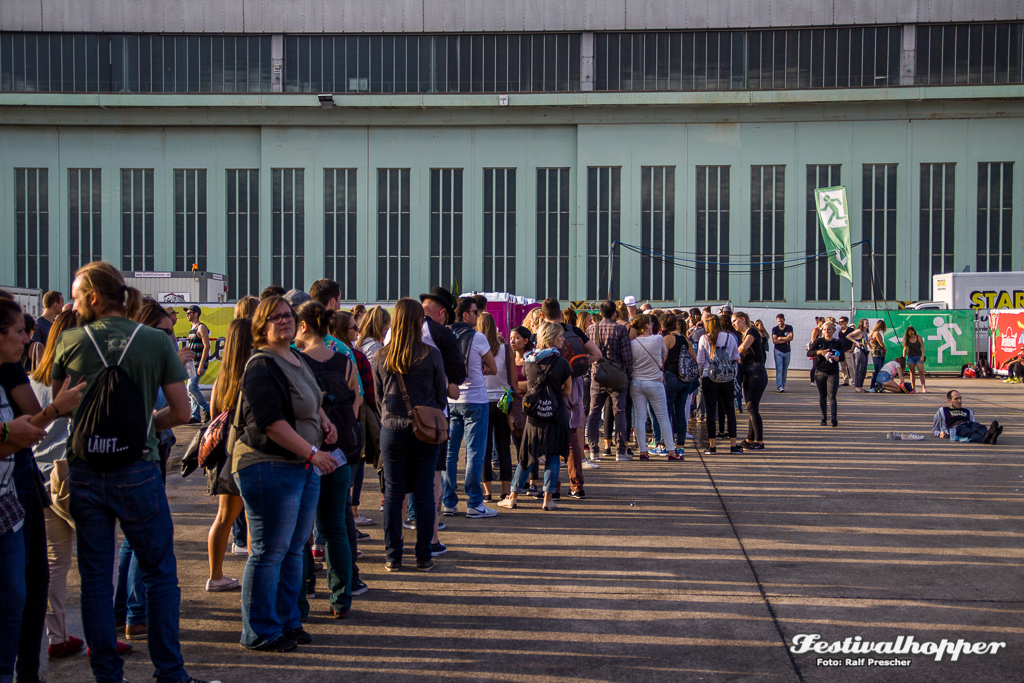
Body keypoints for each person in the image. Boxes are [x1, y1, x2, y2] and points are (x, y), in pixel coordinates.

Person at [50, 262, 216, 683]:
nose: (71, 302)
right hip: (138, 468)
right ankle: (169, 672)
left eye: (75, 294)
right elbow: (181, 412)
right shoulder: (155, 342)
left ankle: (107, 674)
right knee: (159, 572)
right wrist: (143, 421)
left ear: (92, 297)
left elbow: (62, 405)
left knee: (94, 576)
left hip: (85, 469)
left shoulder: (69, 340)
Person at [231, 295, 339, 652]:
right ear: (261, 326)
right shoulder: (261, 365)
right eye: (275, 318)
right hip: (269, 466)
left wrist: (323, 421)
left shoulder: (295, 358)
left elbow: (311, 399)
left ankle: (287, 621)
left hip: (300, 467)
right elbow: (270, 423)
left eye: (288, 316)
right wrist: (313, 452)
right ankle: (259, 630)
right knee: (268, 551)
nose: (284, 321)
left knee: (295, 549)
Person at [27, 310, 87, 659]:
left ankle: (57, 636)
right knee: (99, 560)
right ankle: (101, 637)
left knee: (55, 563)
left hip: (41, 477)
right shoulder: (80, 381)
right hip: (75, 472)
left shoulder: (32, 380)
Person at [373, 299, 448, 572]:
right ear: (419, 322)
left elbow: (379, 397)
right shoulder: (431, 355)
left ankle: (393, 556)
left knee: (393, 494)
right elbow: (441, 395)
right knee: (425, 492)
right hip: (425, 431)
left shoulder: (382, 356)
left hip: (391, 429)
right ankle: (423, 555)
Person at [296, 301, 361, 619]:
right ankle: (341, 598)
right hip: (340, 453)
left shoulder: (296, 362)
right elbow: (356, 399)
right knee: (335, 526)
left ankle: (303, 591)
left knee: (300, 531)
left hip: (305, 453)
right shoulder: (344, 360)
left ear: (304, 326)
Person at [499, 321, 573, 510]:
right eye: (560, 336)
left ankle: (513, 496)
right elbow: (567, 392)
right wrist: (557, 387)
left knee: (527, 455)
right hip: (556, 414)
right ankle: (547, 500)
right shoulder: (562, 362)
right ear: (551, 338)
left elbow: (528, 385)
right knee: (553, 455)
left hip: (535, 414)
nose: (563, 339)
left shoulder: (529, 360)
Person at [205, 319, 253, 593]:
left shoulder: (223, 376)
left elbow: (212, 418)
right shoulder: (254, 371)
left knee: (223, 517)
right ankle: (251, 578)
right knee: (251, 517)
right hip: (248, 453)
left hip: (224, 454)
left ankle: (215, 575)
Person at [443, 297, 498, 518]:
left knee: (450, 453)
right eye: (475, 312)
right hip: (475, 399)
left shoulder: (444, 335)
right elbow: (493, 368)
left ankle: (449, 501)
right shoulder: (478, 337)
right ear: (466, 315)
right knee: (474, 453)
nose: (478, 315)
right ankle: (474, 503)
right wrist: (480, 367)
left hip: (450, 399)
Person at [540, 299, 600, 496]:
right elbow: (596, 354)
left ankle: (553, 488)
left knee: (553, 437)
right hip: (575, 385)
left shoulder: (542, 333)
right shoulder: (574, 330)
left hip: (552, 388)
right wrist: (574, 368)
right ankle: (577, 487)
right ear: (560, 313)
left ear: (542, 315)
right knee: (573, 434)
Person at [628, 315, 681, 461]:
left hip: (636, 382)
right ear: (646, 325)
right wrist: (659, 363)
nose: (652, 326)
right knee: (663, 416)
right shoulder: (658, 339)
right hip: (655, 382)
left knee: (640, 417)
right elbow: (665, 354)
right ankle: (671, 450)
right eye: (650, 323)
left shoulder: (632, 343)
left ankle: (643, 451)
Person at [585, 300, 633, 461]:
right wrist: (628, 374)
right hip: (617, 376)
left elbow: (587, 352)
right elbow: (627, 356)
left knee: (594, 413)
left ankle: (593, 449)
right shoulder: (620, 329)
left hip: (597, 375)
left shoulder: (591, 329)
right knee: (619, 412)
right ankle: (620, 451)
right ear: (614, 313)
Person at [478, 312, 514, 502]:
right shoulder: (506, 349)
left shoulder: (476, 348)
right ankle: (505, 491)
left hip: (482, 400)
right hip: (503, 402)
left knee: (484, 448)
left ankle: (487, 492)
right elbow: (513, 378)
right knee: (504, 447)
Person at [697, 315, 741, 454]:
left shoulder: (704, 338)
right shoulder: (730, 337)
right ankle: (733, 445)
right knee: (730, 411)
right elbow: (735, 356)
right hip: (727, 376)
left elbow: (700, 359)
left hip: (708, 376)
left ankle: (712, 446)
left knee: (710, 412)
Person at [734, 312, 768, 450]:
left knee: (752, 407)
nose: (733, 324)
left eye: (735, 320)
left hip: (756, 373)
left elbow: (743, 348)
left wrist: (732, 353)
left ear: (743, 319)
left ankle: (759, 441)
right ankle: (749, 438)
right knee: (750, 407)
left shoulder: (752, 331)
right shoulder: (744, 335)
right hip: (749, 373)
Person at [933, 391, 1003, 444]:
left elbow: (973, 422)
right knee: (969, 432)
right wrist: (939, 434)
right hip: (956, 427)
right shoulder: (943, 410)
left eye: (960, 398)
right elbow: (934, 429)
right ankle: (989, 438)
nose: (959, 401)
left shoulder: (967, 411)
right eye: (956, 399)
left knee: (977, 426)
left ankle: (988, 434)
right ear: (949, 401)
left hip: (969, 423)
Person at [809, 320, 843, 426]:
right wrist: (819, 352)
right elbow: (809, 352)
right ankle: (823, 418)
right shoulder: (819, 342)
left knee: (832, 396)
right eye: (824, 329)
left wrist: (835, 357)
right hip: (820, 371)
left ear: (833, 330)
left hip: (833, 372)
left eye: (829, 329)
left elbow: (841, 358)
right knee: (822, 396)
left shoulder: (837, 342)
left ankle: (834, 418)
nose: (827, 331)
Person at [184, 304, 212, 424]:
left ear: (196, 314)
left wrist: (201, 365)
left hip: (198, 363)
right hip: (191, 364)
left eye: (189, 313)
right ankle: (195, 416)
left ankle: (207, 410)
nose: (187, 315)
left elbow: (207, 346)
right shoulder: (192, 328)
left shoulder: (201, 328)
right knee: (191, 389)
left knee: (191, 387)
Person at [27, 290, 63, 369]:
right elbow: (34, 352)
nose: (62, 306)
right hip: (43, 372)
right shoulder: (38, 325)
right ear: (56, 305)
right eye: (62, 303)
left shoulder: (56, 325)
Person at [845, 319, 870, 392]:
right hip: (859, 351)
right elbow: (848, 336)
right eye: (866, 323)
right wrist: (855, 342)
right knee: (859, 368)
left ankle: (860, 386)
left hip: (865, 350)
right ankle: (857, 386)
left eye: (868, 323)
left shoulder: (865, 332)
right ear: (862, 324)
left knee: (863, 369)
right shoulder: (859, 331)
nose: (867, 324)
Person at [771, 314, 794, 393]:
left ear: (784, 320)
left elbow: (791, 337)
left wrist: (781, 338)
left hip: (787, 351)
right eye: (778, 321)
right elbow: (775, 341)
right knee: (779, 369)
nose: (780, 323)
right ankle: (779, 386)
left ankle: (783, 385)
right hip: (778, 351)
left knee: (785, 369)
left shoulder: (789, 327)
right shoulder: (775, 329)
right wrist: (786, 339)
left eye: (781, 321)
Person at [902, 326, 928, 393]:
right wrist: (903, 358)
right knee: (912, 373)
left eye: (912, 332)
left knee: (921, 371)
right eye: (909, 333)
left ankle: (923, 387)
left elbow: (922, 347)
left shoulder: (918, 337)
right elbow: (905, 349)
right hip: (910, 357)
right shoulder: (907, 339)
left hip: (918, 356)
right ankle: (913, 388)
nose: (911, 334)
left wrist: (922, 355)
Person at [869, 320, 888, 392]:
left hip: (878, 353)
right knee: (877, 370)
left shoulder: (873, 332)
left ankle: (878, 386)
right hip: (877, 353)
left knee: (879, 370)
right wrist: (885, 349)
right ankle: (872, 386)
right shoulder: (876, 333)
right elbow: (881, 343)